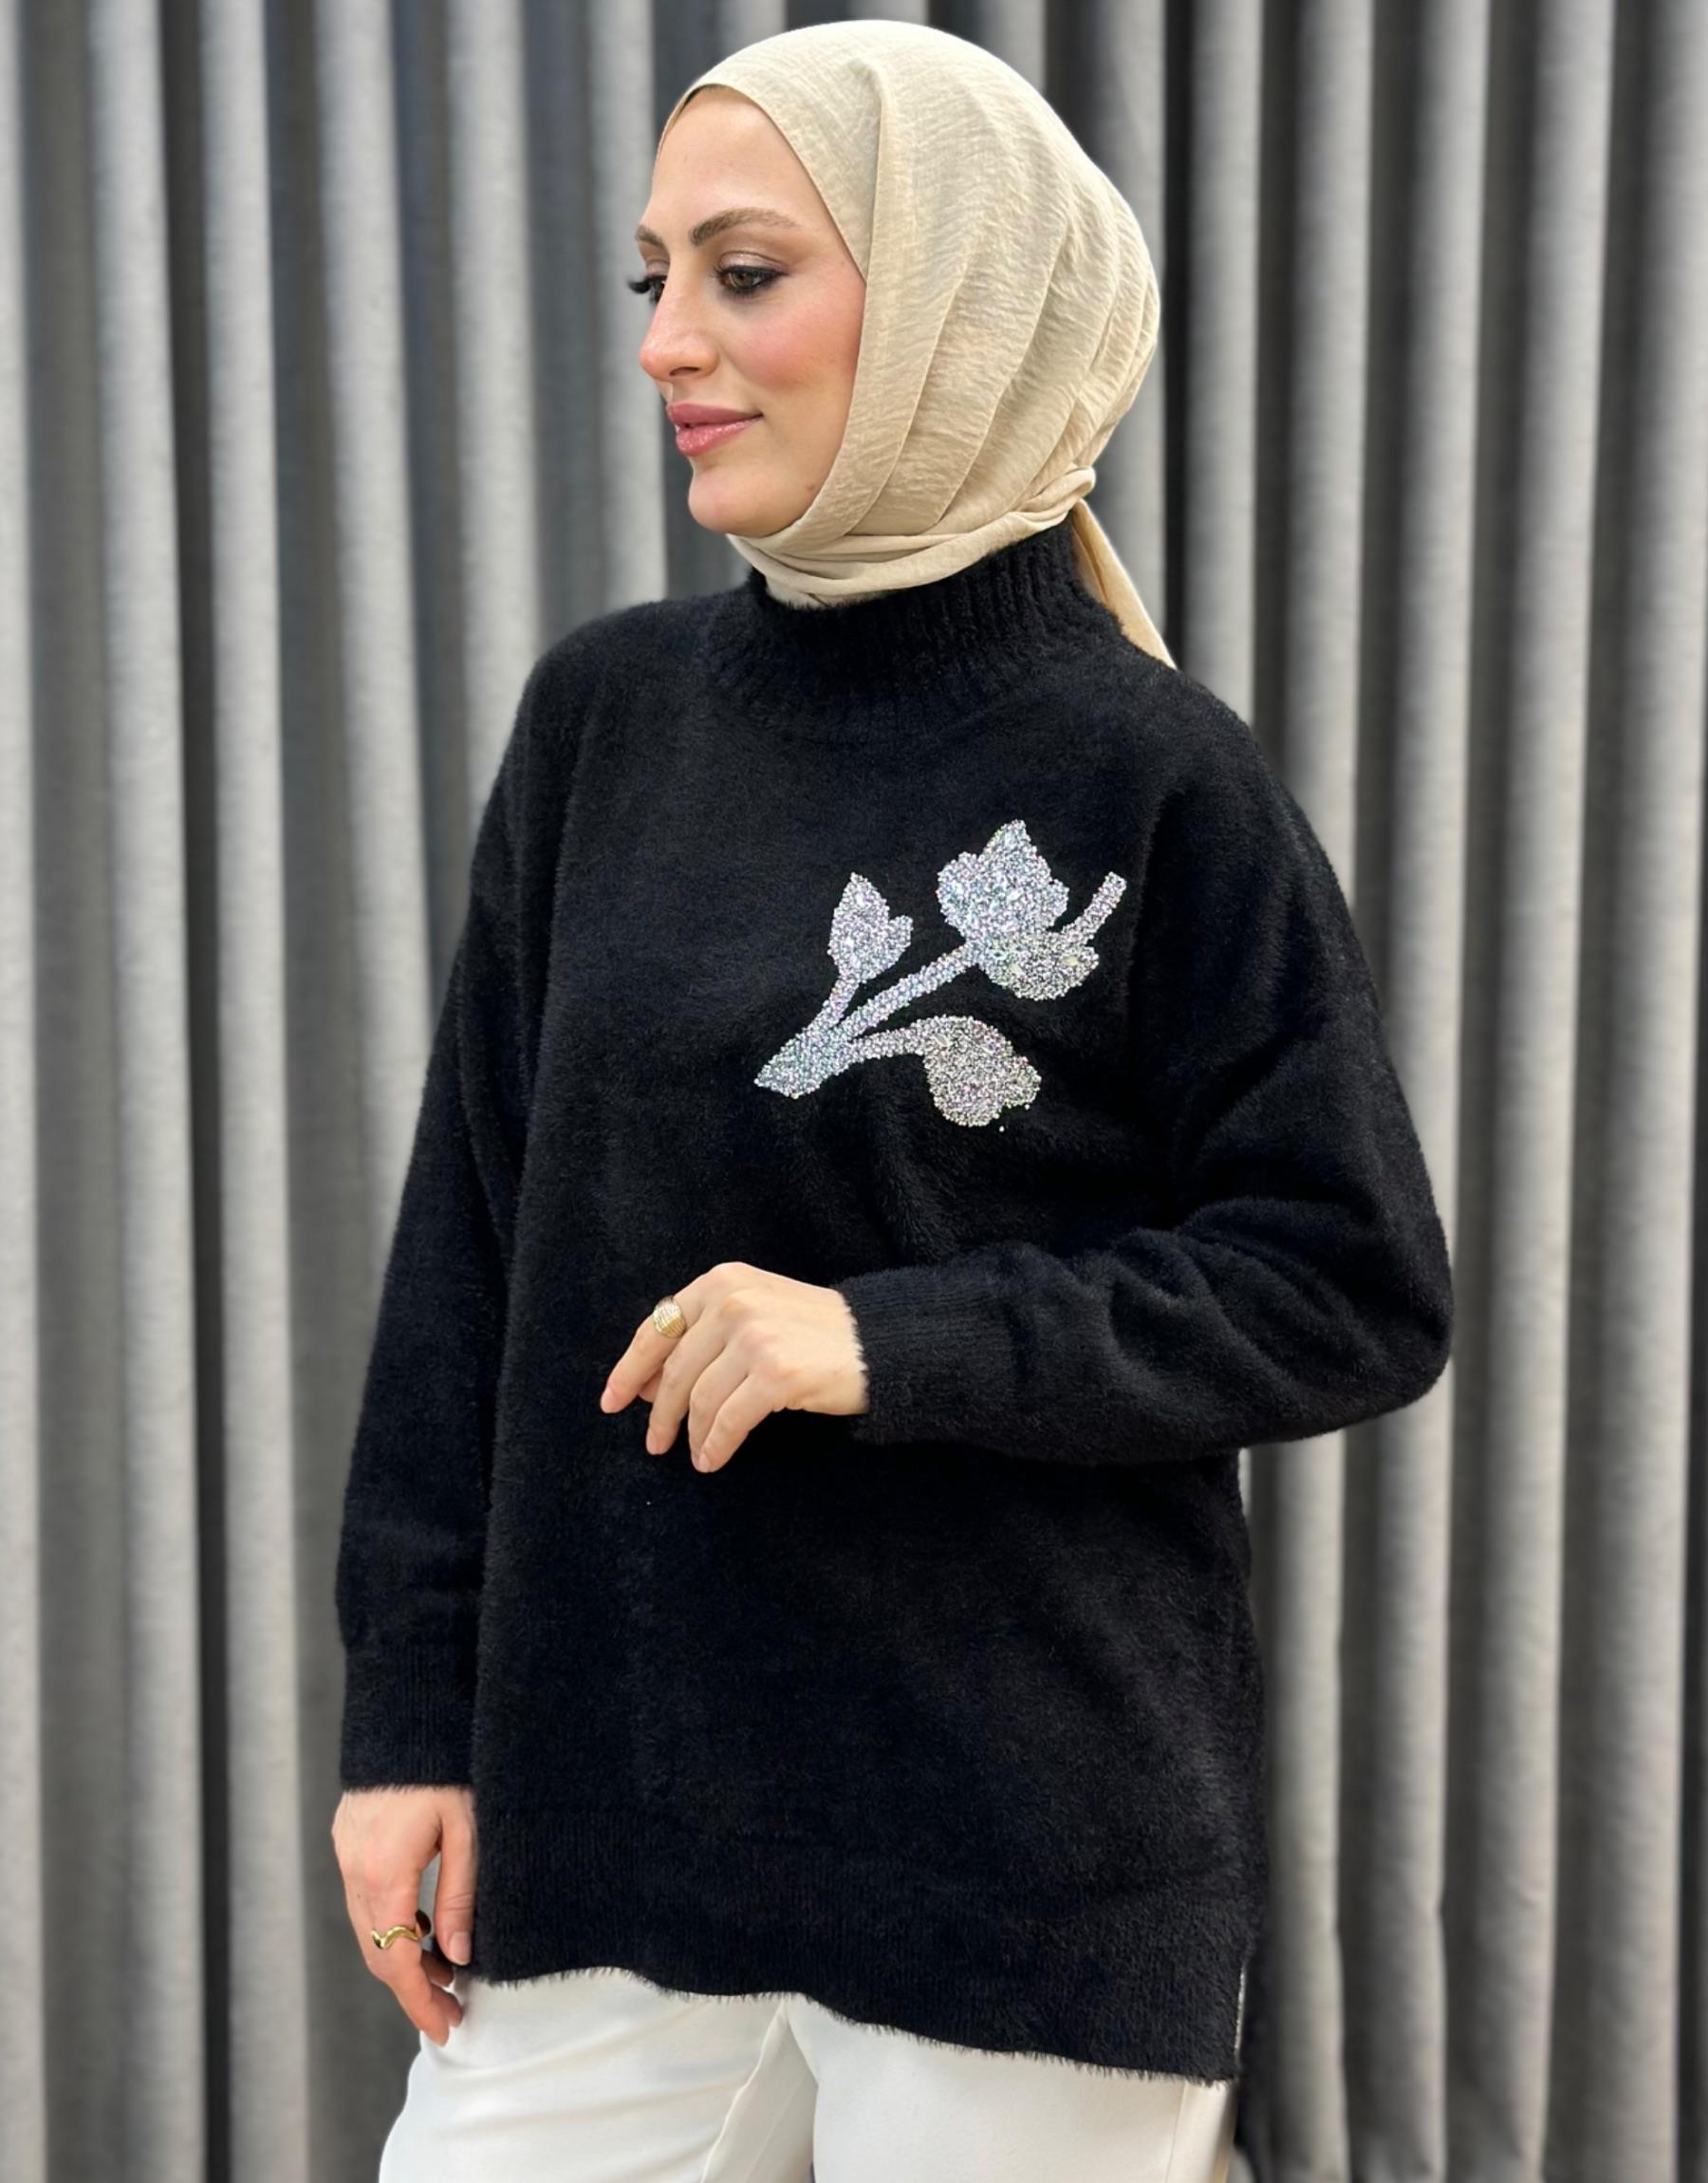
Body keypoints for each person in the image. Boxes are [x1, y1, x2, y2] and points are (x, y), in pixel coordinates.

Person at [329, 21, 1454, 2182]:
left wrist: (885, 1339)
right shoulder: (605, 721)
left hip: (1023, 1864)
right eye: (654, 275)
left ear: (958, 300)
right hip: (612, 1818)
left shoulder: (1154, 775)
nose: (668, 341)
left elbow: (1349, 1283)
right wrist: (407, 1719)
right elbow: (467, 1254)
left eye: (743, 274)